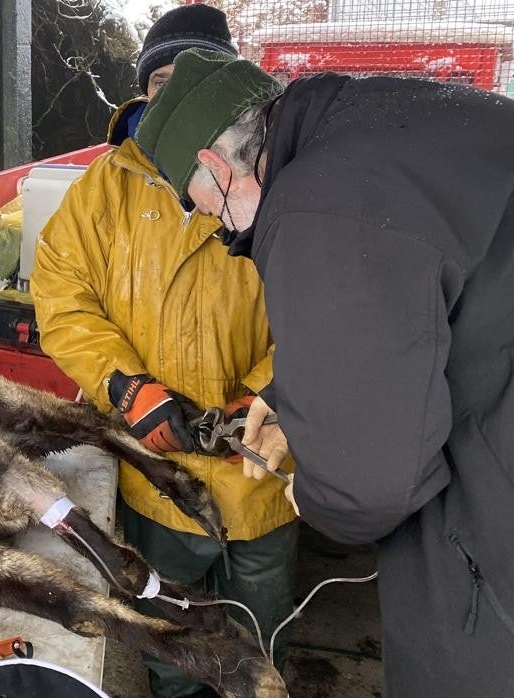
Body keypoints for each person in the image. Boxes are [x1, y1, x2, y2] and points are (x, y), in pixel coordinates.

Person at [135, 48, 514, 696]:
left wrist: (314, 490)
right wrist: (290, 396)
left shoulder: (312, 206)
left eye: (198, 204)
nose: (211, 222)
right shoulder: (362, 122)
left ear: (213, 165)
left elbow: (366, 488)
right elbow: (408, 308)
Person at [30, 7, 297, 696]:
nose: (173, 99)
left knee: (263, 632)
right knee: (170, 634)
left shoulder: (278, 178)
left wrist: (269, 394)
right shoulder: (105, 188)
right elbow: (62, 295)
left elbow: (324, 308)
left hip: (261, 468)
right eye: (160, 82)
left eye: (194, 80)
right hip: (156, 468)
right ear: (144, 92)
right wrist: (125, 388)